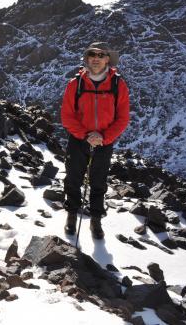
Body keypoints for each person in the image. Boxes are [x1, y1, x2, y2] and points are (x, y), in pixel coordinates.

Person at [61, 42, 130, 239]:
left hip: (104, 142)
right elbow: (67, 115)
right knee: (73, 178)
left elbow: (123, 118)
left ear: (108, 59)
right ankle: (72, 215)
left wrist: (104, 137)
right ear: (87, 58)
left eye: (101, 55)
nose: (96, 58)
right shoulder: (76, 84)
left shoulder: (118, 84)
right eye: (92, 54)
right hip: (78, 139)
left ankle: (96, 220)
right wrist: (86, 135)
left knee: (98, 181)